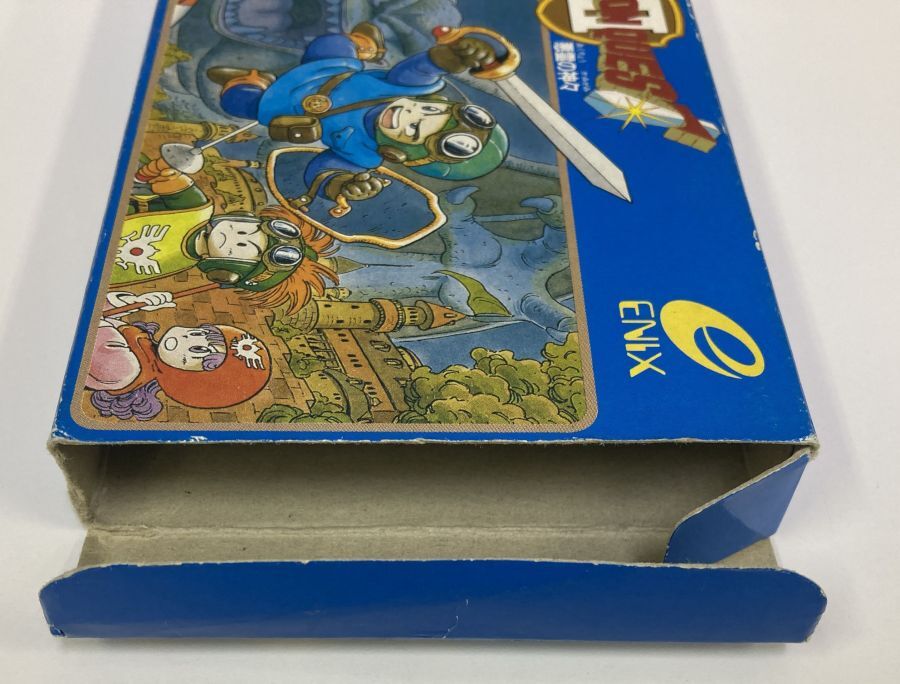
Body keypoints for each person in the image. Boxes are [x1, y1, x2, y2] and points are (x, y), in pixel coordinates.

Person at [207, 23, 509, 209]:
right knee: (329, 43)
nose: (409, 112)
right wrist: (454, 56)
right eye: (428, 110)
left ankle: (252, 80)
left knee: (237, 101)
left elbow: (323, 170)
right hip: (331, 69)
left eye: (415, 129)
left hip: (284, 106)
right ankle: (366, 45)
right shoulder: (404, 88)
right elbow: (422, 68)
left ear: (400, 154)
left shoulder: (361, 154)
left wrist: (340, 186)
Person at [114, 154, 337, 314]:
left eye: (246, 246)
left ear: (226, 273)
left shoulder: (176, 264)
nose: (238, 236)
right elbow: (167, 180)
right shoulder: (196, 209)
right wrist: (162, 172)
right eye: (248, 230)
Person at [87, 290, 271, 421]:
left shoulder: (126, 370)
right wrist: (129, 302)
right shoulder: (143, 345)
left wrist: (115, 308)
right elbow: (102, 317)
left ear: (188, 378)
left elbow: (88, 326)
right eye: (198, 333)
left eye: (198, 350)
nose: (187, 338)